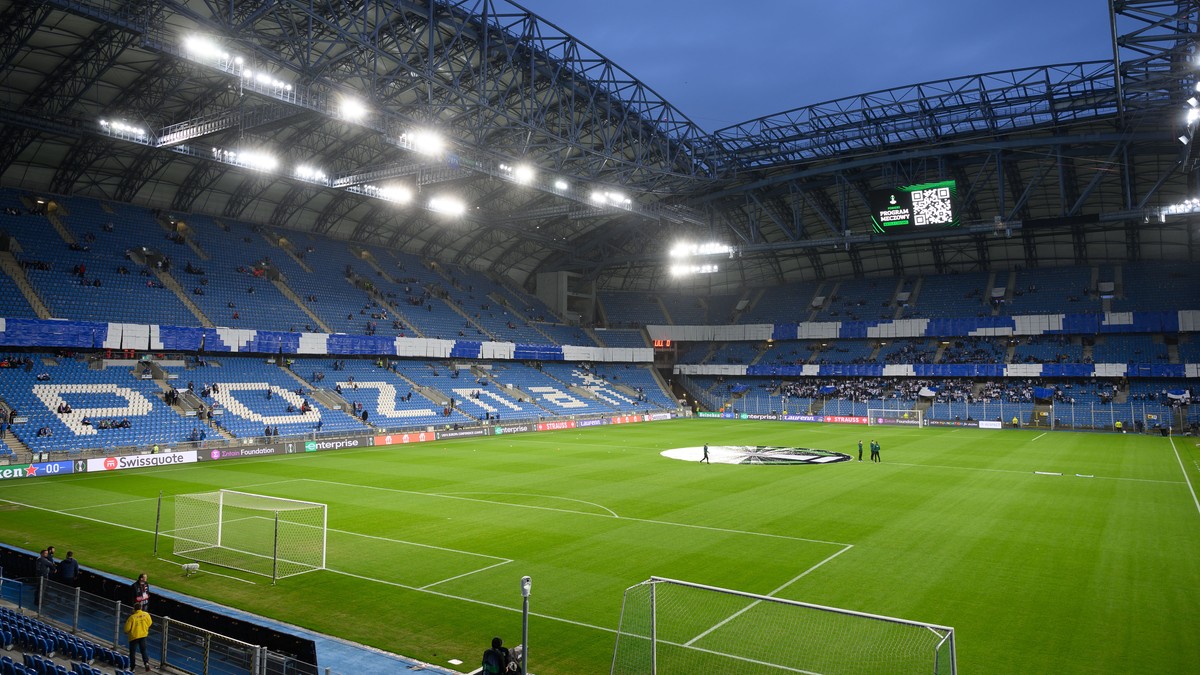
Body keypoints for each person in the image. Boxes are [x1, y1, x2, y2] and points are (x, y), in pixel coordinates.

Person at [124, 602, 153, 671]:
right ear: (141, 608)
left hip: (134, 637)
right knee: (143, 650)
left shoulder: (132, 618)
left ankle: (132, 667)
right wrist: (144, 628)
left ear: (134, 609)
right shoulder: (146, 615)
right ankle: (146, 663)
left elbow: (126, 629)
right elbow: (150, 623)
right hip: (143, 635)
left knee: (132, 653)